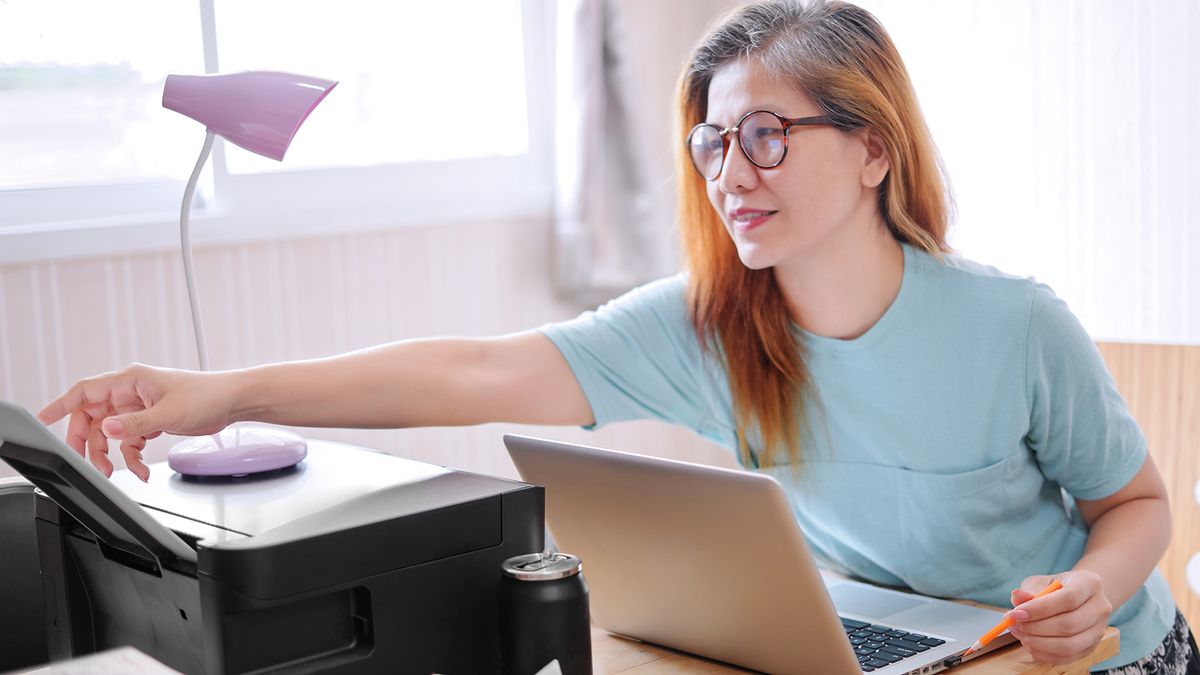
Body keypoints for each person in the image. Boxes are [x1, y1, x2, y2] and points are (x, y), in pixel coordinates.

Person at [36, 1, 1198, 672]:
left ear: (875, 148)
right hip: (896, 654)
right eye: (713, 143)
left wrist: (1092, 591)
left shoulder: (1014, 324)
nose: (731, 173)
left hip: (1103, 659)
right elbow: (477, 369)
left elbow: (1138, 508)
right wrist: (223, 393)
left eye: (769, 137)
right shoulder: (708, 328)